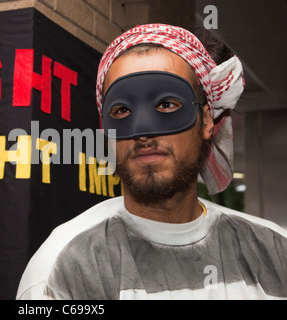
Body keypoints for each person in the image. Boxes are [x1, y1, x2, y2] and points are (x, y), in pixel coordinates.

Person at [16, 24, 287, 300]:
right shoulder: (63, 270)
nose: (143, 131)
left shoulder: (275, 251)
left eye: (167, 104)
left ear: (206, 120)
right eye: (121, 110)